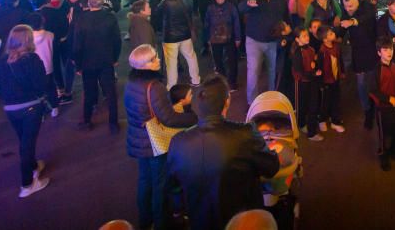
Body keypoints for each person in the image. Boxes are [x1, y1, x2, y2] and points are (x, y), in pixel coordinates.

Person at [167, 74, 280, 229]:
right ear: (227, 101)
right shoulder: (245, 134)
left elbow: (174, 188)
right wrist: (270, 148)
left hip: (199, 221)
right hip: (241, 222)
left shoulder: (177, 142)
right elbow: (271, 168)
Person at [124, 45, 197, 230]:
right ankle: (162, 222)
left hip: (138, 138)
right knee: (160, 185)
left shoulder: (131, 82)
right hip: (153, 141)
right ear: (143, 66)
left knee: (144, 181)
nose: (157, 61)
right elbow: (169, 118)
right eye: (152, 59)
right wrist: (193, 118)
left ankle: (145, 220)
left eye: (156, 57)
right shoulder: (154, 87)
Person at [0, 25, 51, 198]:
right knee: (27, 145)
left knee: (24, 140)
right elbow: (41, 84)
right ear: (29, 40)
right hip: (31, 107)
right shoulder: (32, 59)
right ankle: (27, 184)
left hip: (10, 109)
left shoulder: (1, 61)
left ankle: (33, 166)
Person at [71, 0, 122, 132]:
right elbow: (117, 40)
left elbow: (77, 45)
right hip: (106, 60)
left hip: (88, 62)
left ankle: (86, 120)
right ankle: (113, 124)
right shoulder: (110, 18)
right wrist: (115, 58)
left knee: (89, 92)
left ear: (89, 3)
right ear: (103, 2)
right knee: (110, 93)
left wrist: (78, 65)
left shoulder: (81, 19)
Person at [242, 0, 289, 104]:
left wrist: (285, 35)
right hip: (254, 41)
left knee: (272, 70)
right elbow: (241, 8)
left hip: (273, 41)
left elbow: (286, 17)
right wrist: (248, 5)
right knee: (253, 72)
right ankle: (251, 102)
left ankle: (272, 97)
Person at [366, 37, 395, 171]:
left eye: (390, 49)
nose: (389, 52)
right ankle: (383, 156)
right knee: (384, 134)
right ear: (379, 53)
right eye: (385, 50)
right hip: (383, 109)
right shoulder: (376, 71)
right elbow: (372, 91)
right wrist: (388, 99)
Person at [339, 0, 378, 129]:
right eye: (346, 6)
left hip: (372, 48)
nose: (348, 9)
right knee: (361, 83)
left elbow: (368, 17)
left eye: (350, 6)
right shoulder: (346, 12)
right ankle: (367, 110)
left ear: (357, 1)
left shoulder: (367, 7)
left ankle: (376, 104)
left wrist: (353, 21)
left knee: (373, 80)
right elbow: (342, 29)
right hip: (357, 51)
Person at [159, 0, 199, 88]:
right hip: (186, 33)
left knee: (171, 62)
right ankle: (196, 79)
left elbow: (157, 14)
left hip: (170, 36)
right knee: (191, 57)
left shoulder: (166, 1)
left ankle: (172, 85)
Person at [206, 0, 242, 91]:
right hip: (214, 38)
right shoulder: (210, 8)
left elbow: (236, 23)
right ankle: (223, 80)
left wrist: (238, 38)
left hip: (230, 37)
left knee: (232, 61)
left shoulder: (231, 7)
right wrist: (208, 37)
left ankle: (232, 82)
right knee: (218, 61)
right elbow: (207, 23)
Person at [291, 27, 323, 141]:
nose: (307, 37)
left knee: (312, 106)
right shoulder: (297, 53)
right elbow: (301, 72)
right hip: (303, 83)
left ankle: (308, 128)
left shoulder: (311, 49)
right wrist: (314, 73)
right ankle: (310, 132)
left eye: (307, 35)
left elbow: (314, 63)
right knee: (304, 106)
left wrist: (316, 68)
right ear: (297, 39)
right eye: (304, 36)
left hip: (312, 81)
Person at [26, 13, 59, 116]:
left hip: (33, 68)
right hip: (48, 65)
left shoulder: (28, 38)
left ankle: (41, 111)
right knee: (51, 87)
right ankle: (55, 108)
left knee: (36, 90)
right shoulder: (50, 34)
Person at [317, 26, 345, 133]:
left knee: (336, 100)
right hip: (326, 81)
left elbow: (340, 59)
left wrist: (342, 71)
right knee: (326, 101)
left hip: (336, 78)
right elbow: (320, 67)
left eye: (331, 32)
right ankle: (322, 120)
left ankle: (335, 121)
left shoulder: (336, 46)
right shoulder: (322, 51)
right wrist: (321, 83)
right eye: (330, 34)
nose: (333, 34)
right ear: (325, 39)